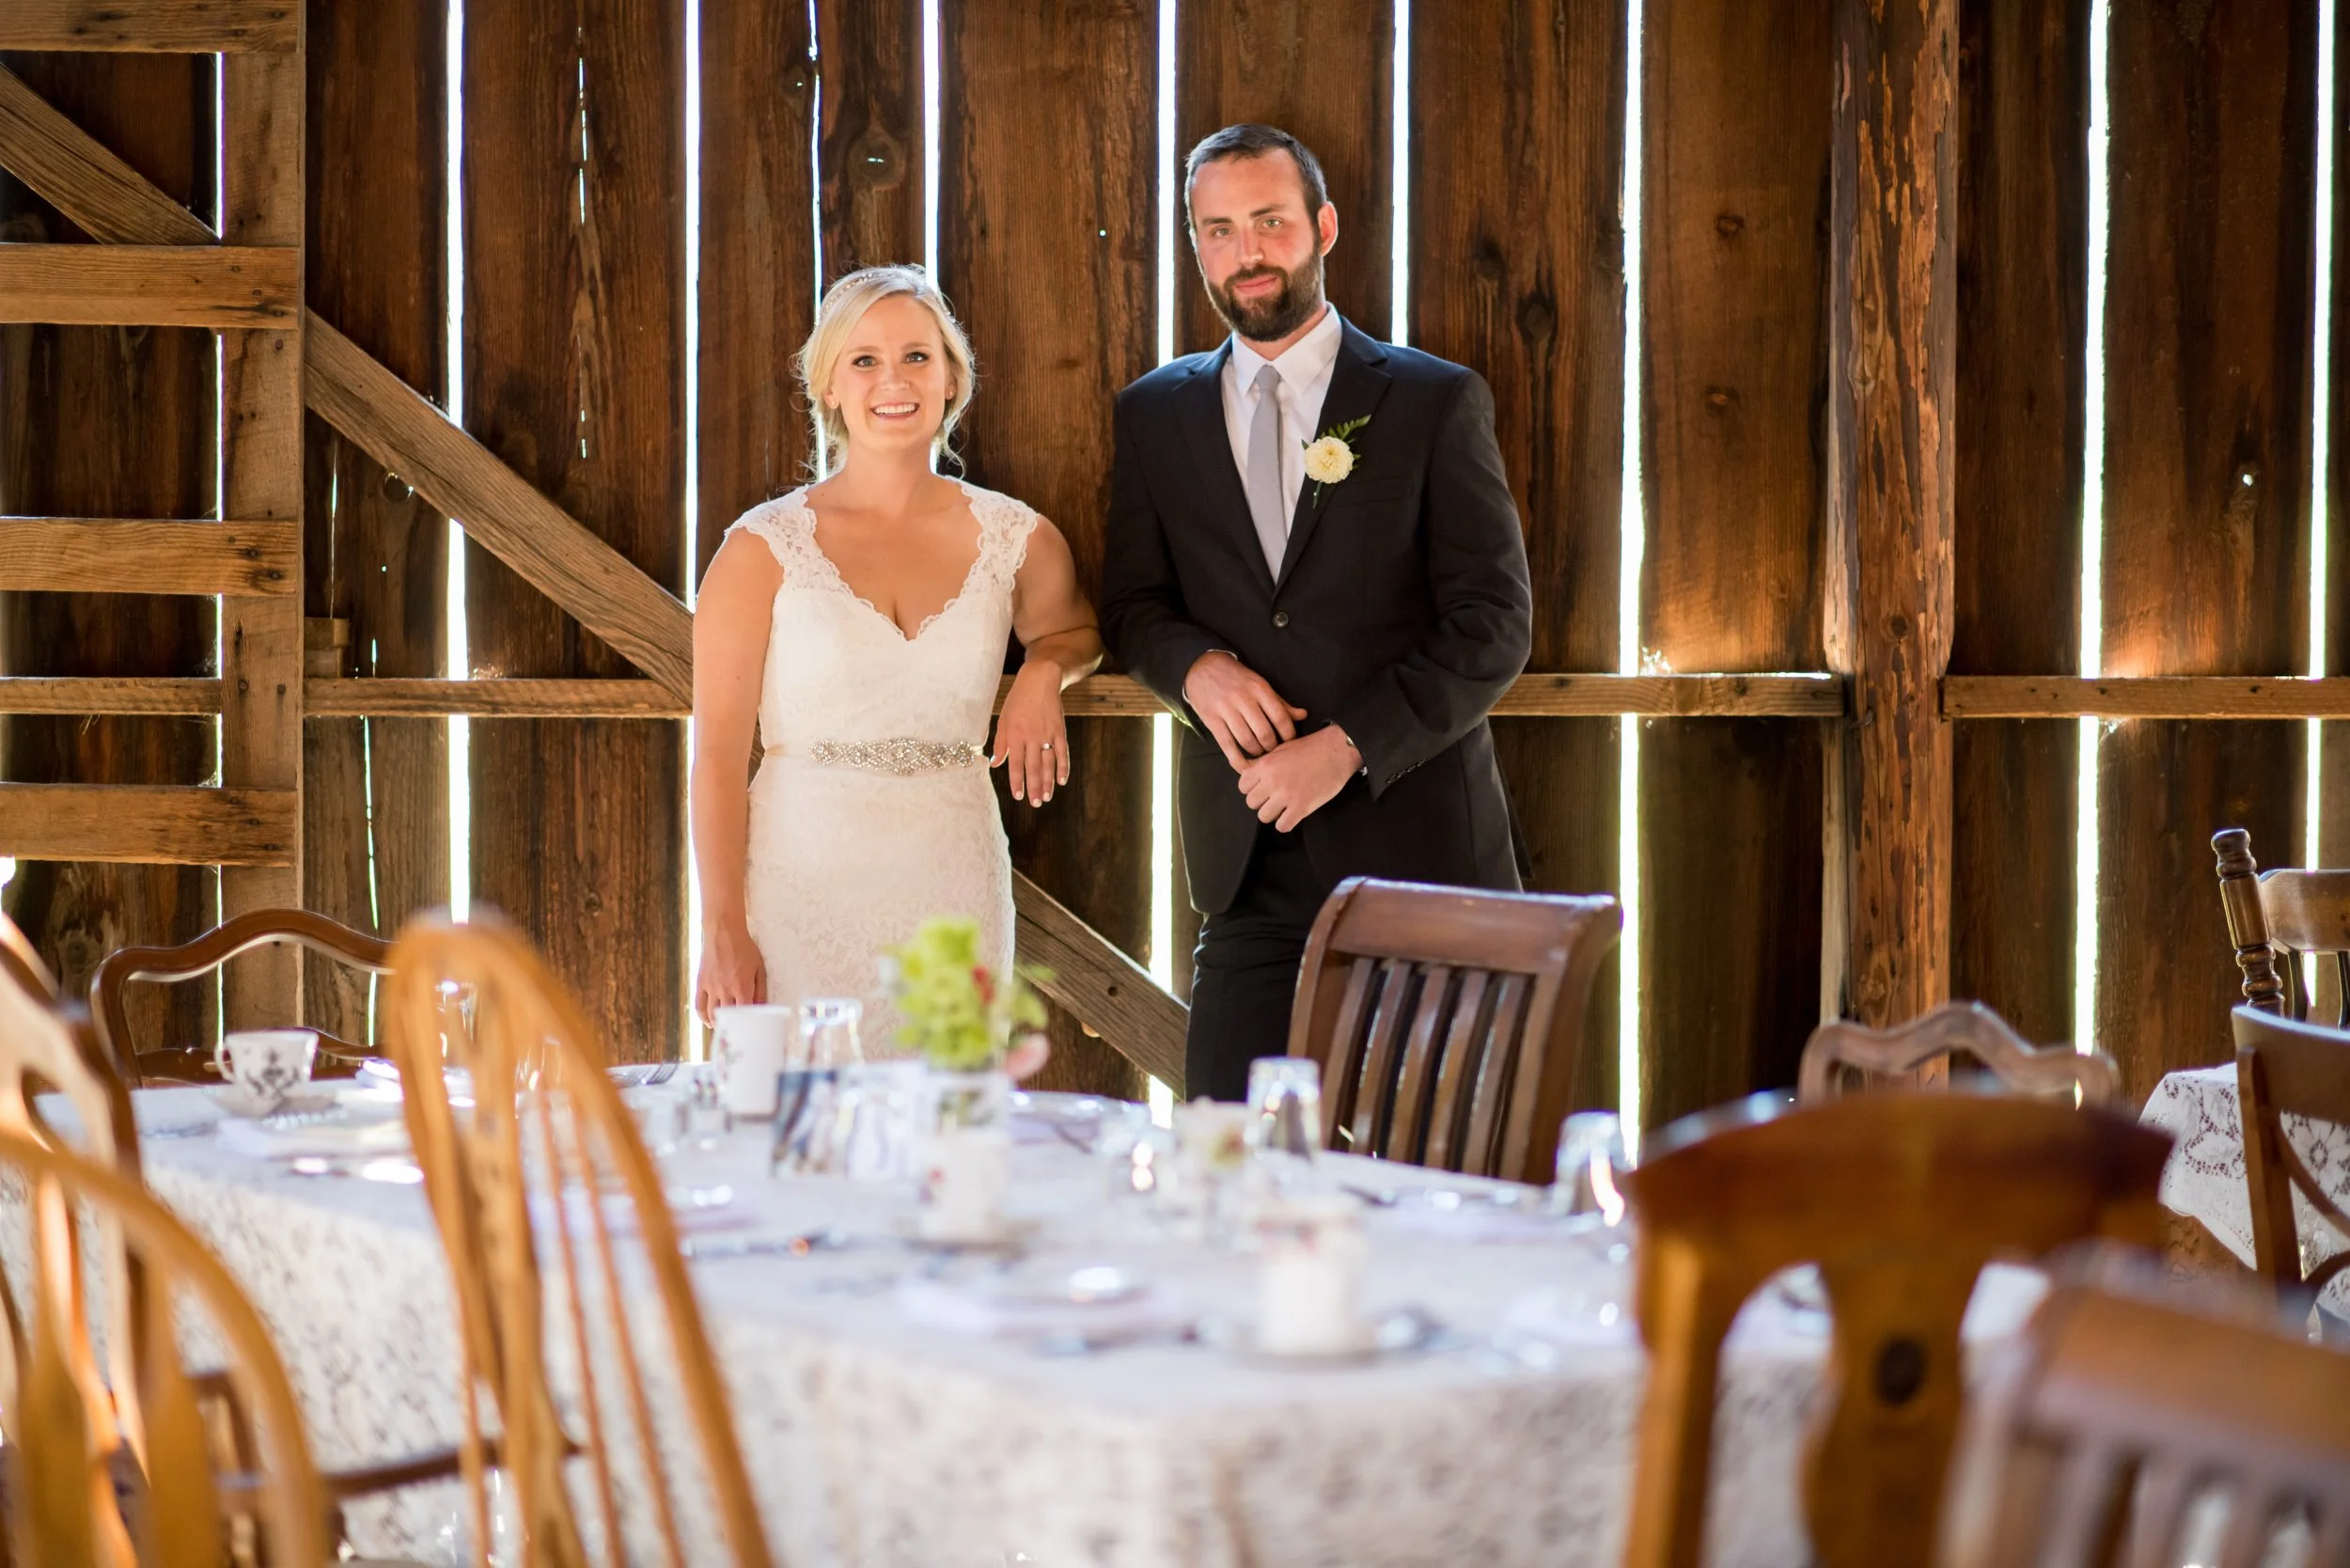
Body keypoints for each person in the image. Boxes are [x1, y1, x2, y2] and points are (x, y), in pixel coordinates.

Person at [1102, 124, 1533, 1102]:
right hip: (1246, 872)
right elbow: (1132, 604)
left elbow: (1492, 622)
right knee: (1228, 1160)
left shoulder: (1430, 400)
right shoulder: (1153, 414)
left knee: (1441, 1182)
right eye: (1217, 230)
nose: (1245, 252)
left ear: (1322, 227)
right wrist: (1194, 668)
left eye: (1268, 222)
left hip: (1422, 862)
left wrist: (1344, 746)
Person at [692, 265, 1102, 1043]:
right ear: (830, 388)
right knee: (792, 1137)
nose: (895, 380)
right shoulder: (760, 548)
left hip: (954, 882)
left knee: (945, 1135)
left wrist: (1043, 671)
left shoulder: (1017, 537)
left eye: (918, 356)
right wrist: (723, 927)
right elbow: (714, 755)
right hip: (797, 891)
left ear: (952, 379)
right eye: (865, 360)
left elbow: (1075, 632)